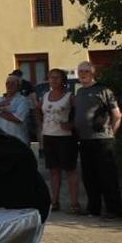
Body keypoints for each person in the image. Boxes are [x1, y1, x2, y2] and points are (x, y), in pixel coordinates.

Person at [73, 61, 122, 218]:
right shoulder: (80, 92)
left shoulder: (104, 90)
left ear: (93, 73)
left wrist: (112, 133)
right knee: (89, 176)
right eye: (80, 71)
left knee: (107, 176)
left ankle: (114, 210)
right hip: (85, 140)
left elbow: (117, 115)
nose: (83, 74)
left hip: (102, 140)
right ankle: (93, 209)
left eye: (86, 71)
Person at [37, 67, 79, 212]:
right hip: (49, 136)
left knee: (70, 170)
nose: (53, 80)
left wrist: (71, 124)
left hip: (65, 138)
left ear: (63, 80)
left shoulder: (70, 96)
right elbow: (37, 111)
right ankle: (54, 201)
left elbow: (79, 113)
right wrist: (40, 126)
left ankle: (74, 203)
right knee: (53, 170)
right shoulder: (45, 95)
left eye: (57, 77)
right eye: (51, 77)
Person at [0, 73, 32, 144]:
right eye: (7, 83)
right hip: (0, 140)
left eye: (13, 83)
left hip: (17, 141)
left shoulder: (22, 100)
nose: (9, 85)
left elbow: (17, 118)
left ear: (18, 86)